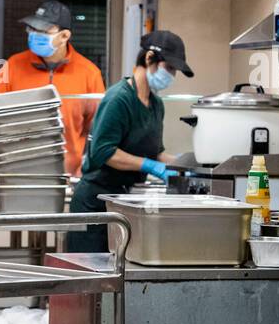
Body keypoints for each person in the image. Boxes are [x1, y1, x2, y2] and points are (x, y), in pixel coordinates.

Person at [65, 30, 193, 253]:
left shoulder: (155, 105)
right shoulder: (119, 98)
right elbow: (104, 152)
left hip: (123, 202)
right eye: (169, 68)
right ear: (149, 59)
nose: (172, 76)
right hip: (94, 203)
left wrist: (184, 165)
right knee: (89, 276)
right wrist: (150, 166)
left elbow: (156, 152)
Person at [0, 0, 106, 176]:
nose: (34, 34)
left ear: (64, 36)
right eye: (32, 29)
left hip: (68, 176)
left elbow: (98, 130)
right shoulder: (12, 66)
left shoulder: (89, 73)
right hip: (15, 173)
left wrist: (85, 171)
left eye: (43, 31)